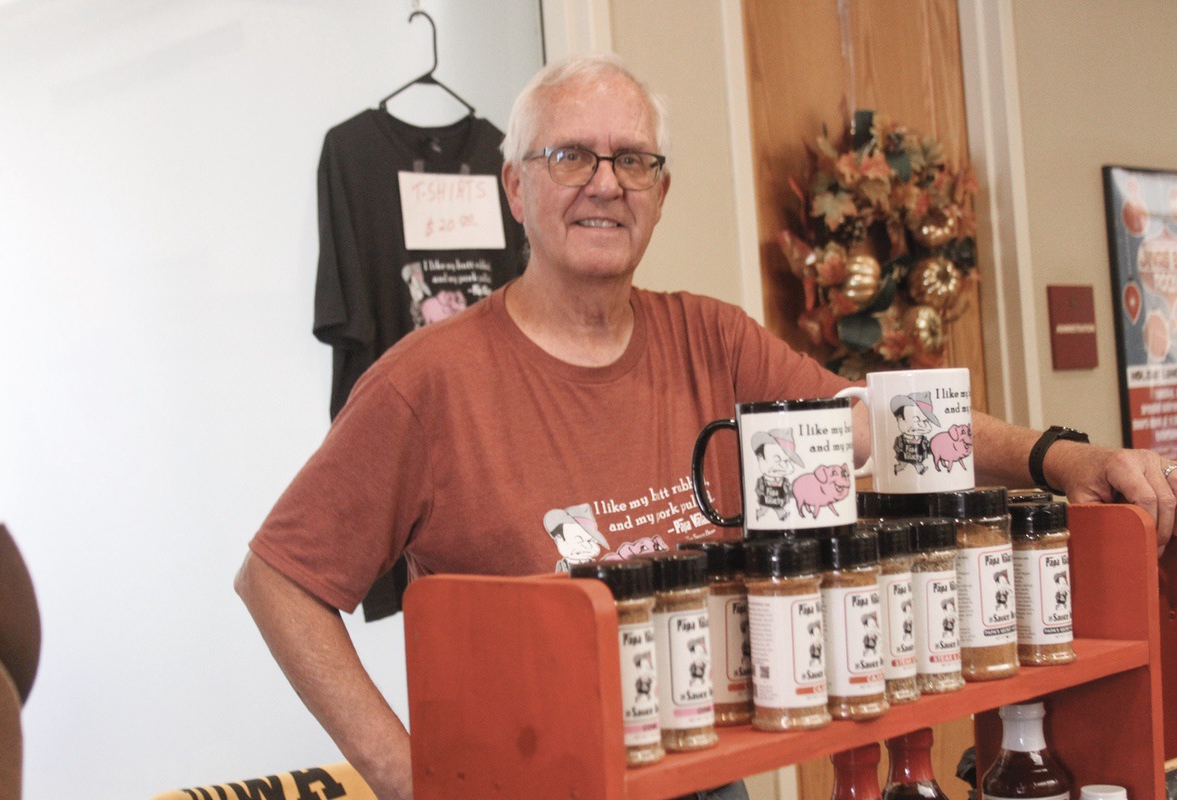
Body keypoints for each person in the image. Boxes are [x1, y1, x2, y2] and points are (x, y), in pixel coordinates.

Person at [235, 54, 1177, 800]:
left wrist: (1062, 458)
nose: (605, 183)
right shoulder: (425, 383)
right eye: (571, 156)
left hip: (706, 772)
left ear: (660, 192)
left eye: (632, 160)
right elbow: (278, 581)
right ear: (515, 189)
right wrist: (404, 775)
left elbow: (887, 424)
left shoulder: (712, 340)